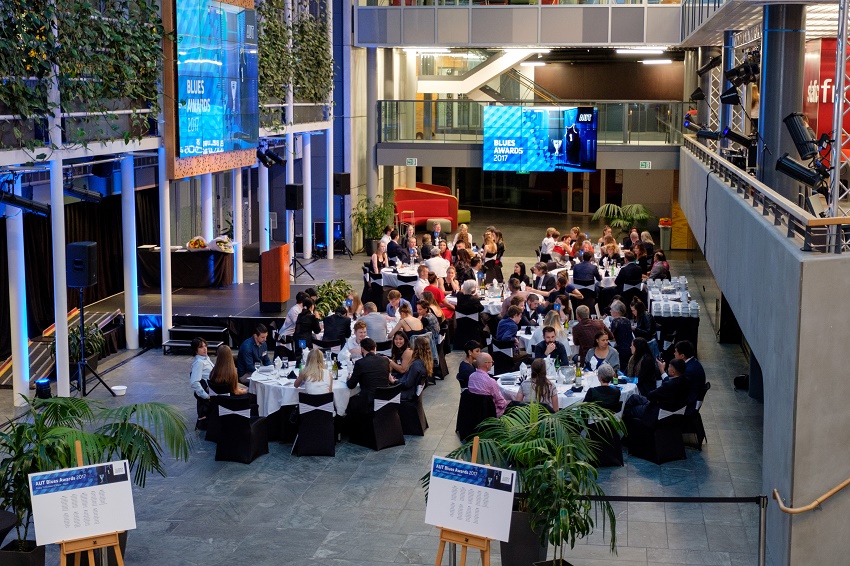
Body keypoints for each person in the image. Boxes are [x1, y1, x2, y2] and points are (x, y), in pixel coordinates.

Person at [625, 358, 689, 425]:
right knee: (634, 397)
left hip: (657, 410)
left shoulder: (669, 385)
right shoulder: (686, 381)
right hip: (665, 405)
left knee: (631, 408)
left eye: (669, 367)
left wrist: (657, 400)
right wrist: (662, 370)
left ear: (673, 372)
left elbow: (650, 395)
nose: (668, 368)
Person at [345, 338, 391, 414]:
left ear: (362, 349)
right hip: (385, 398)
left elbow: (351, 385)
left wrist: (348, 379)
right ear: (374, 348)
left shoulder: (360, 363)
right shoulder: (385, 360)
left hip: (368, 401)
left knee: (350, 402)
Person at [658, 340, 706, 411]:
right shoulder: (693, 362)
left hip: (686, 404)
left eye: (676, 352)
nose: (674, 354)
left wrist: (662, 371)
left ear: (682, 355)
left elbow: (673, 385)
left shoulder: (688, 370)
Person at [391, 336, 432, 401]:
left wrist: (394, 381)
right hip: (411, 391)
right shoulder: (426, 362)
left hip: (406, 394)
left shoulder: (416, 364)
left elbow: (407, 384)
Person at [189, 337, 213, 427]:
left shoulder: (206, 358)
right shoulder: (199, 362)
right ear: (196, 350)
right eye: (201, 347)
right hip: (209, 391)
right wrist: (206, 396)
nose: (204, 348)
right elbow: (194, 382)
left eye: (205, 346)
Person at [608, 300, 633, 365]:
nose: (610, 311)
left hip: (621, 350)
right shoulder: (627, 320)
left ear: (616, 312)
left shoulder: (615, 321)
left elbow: (611, 337)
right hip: (630, 348)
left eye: (611, 309)